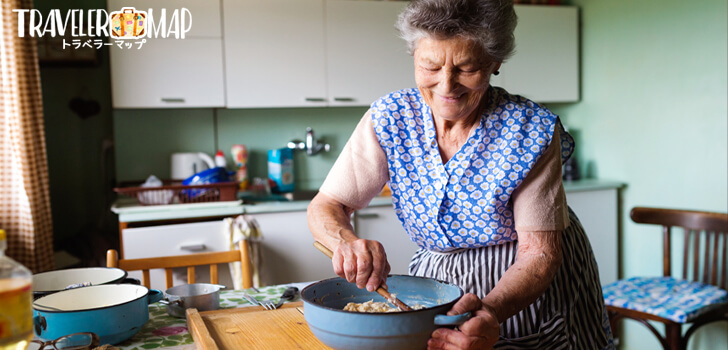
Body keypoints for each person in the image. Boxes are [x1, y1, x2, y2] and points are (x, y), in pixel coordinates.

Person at [307, 0, 614, 349]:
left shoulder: (530, 130)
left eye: (466, 68)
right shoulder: (390, 117)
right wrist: (344, 241)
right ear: (413, 57)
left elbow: (538, 253)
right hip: (437, 282)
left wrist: (492, 311)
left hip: (525, 286)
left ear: (495, 62)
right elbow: (327, 204)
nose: (447, 85)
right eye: (430, 66)